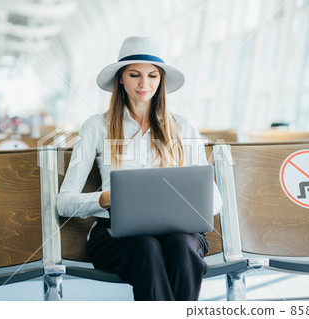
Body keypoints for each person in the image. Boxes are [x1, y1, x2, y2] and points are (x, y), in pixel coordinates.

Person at [57, 36, 222, 301]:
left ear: (161, 80)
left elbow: (215, 200)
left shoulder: (182, 126)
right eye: (134, 75)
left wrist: (189, 204)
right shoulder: (96, 126)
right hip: (114, 232)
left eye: (152, 76)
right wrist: (105, 198)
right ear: (121, 78)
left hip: (177, 233)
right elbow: (64, 202)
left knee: (181, 247)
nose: (144, 84)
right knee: (147, 248)